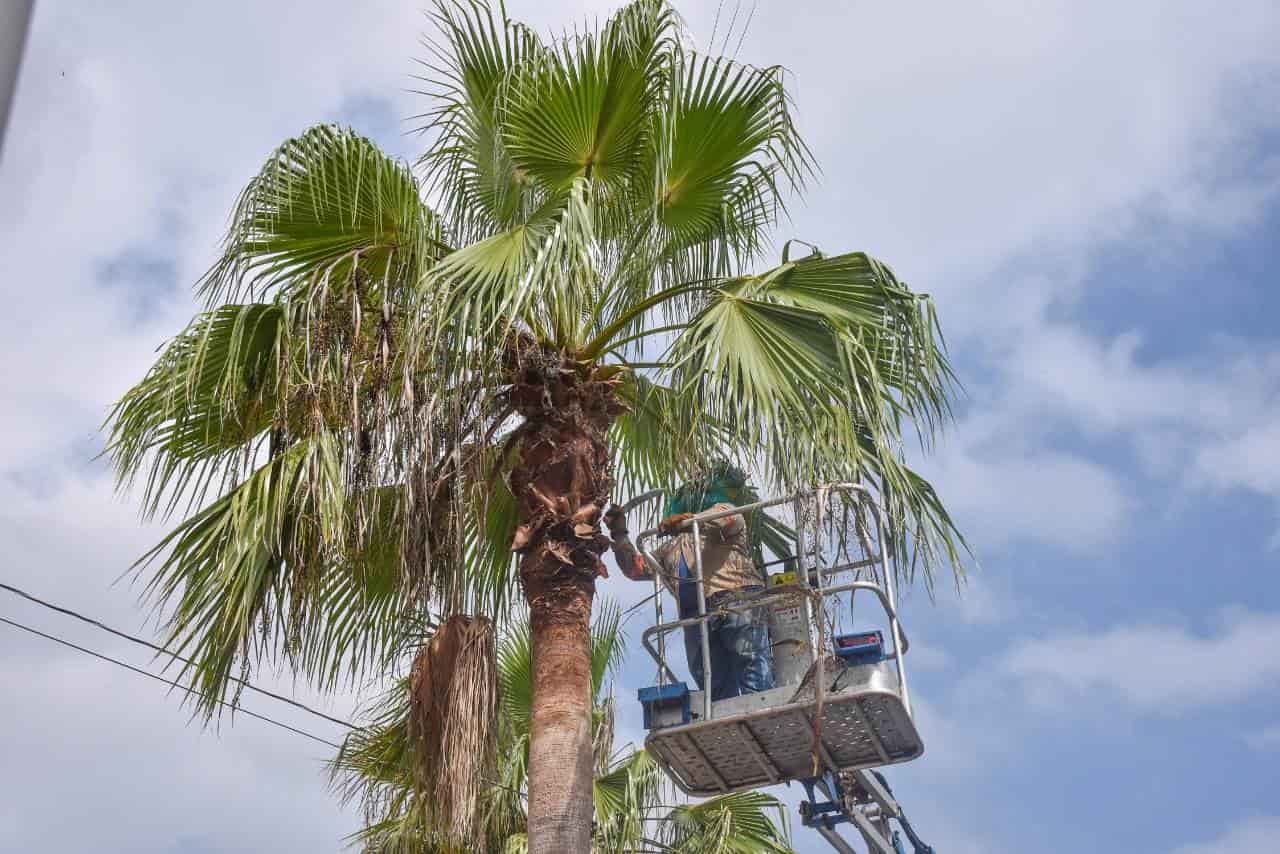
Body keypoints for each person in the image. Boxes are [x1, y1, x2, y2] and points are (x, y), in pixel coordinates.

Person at [604, 464, 774, 702]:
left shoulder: (722, 515)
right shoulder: (670, 549)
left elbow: (729, 518)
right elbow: (636, 568)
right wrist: (620, 533)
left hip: (737, 598)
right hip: (696, 615)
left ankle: (761, 709)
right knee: (711, 681)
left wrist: (690, 520)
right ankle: (723, 721)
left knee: (750, 664)